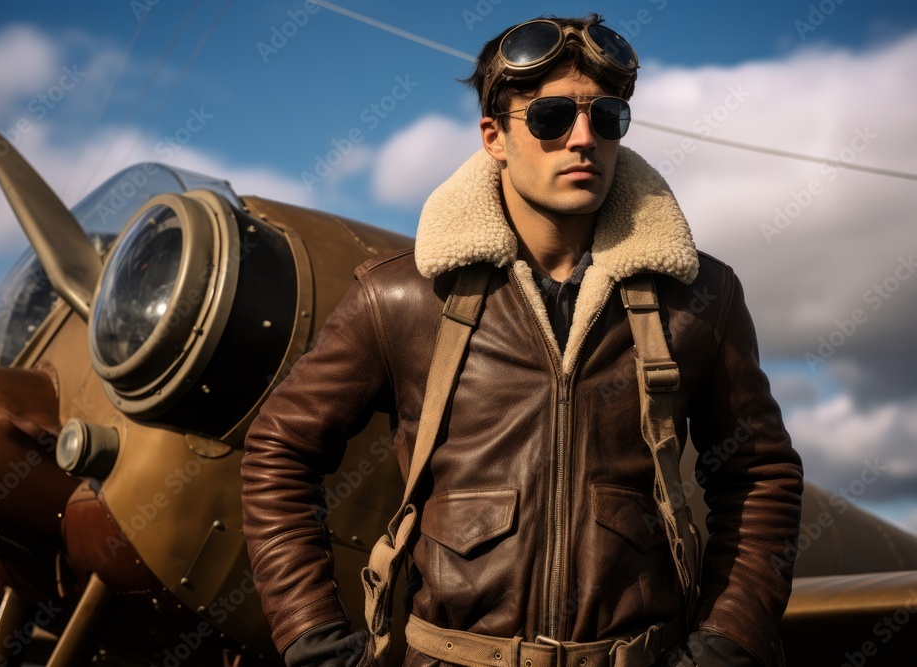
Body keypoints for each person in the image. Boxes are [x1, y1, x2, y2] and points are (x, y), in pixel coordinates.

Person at [242, 13, 803, 667]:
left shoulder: (701, 296)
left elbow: (760, 474)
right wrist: (313, 639)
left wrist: (725, 644)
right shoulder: (401, 296)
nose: (583, 138)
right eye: (551, 118)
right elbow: (279, 450)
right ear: (495, 137)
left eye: (608, 118)